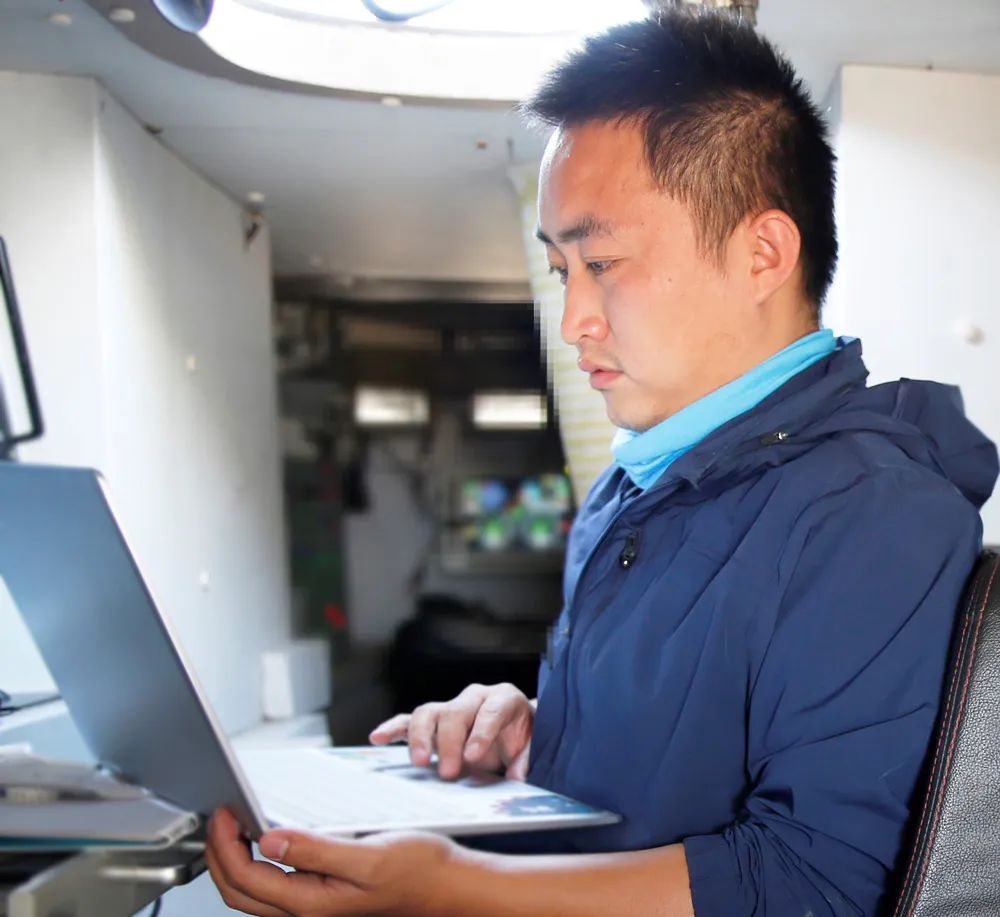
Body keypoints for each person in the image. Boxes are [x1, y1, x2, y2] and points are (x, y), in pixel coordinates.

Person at [206, 8, 998, 916]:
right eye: (561, 271)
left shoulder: (872, 512)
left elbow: (818, 883)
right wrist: (536, 736)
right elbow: (674, 767)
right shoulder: (632, 488)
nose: (575, 319)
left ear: (763, 255)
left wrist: (458, 889)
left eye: (605, 262)